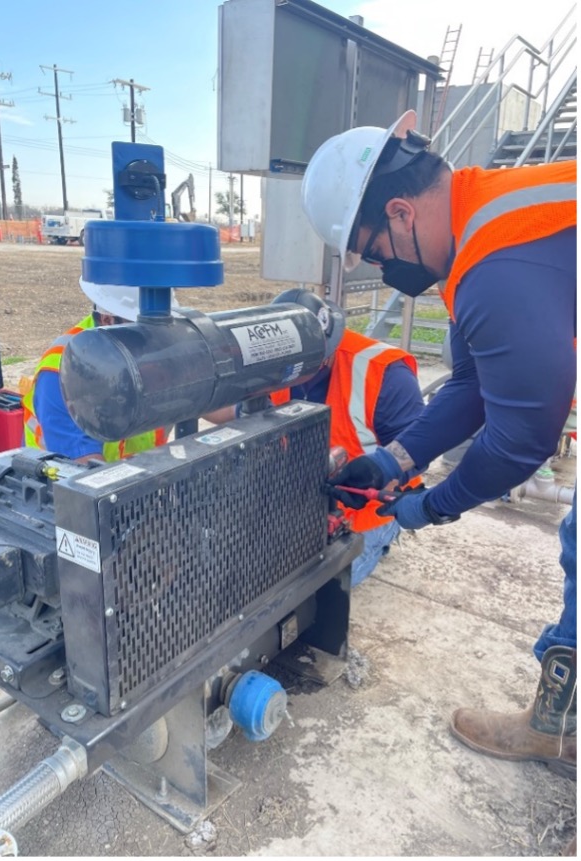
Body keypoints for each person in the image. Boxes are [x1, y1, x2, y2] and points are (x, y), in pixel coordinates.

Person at [301, 110, 576, 779]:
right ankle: (556, 723)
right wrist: (393, 460)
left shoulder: (496, 261)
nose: (381, 266)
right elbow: (472, 385)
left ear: (400, 212)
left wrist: (430, 506)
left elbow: (518, 441)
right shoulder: (481, 221)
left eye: (374, 251)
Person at [211, 288, 426, 585]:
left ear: (325, 349)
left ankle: (381, 538)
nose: (293, 376)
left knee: (312, 590)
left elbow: (419, 451)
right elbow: (224, 410)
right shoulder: (274, 365)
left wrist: (379, 476)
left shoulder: (383, 373)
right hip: (300, 502)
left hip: (365, 512)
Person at [23, 282, 166, 462]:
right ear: (108, 320)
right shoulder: (61, 371)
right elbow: (85, 468)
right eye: (142, 329)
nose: (151, 340)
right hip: (58, 483)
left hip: (136, 478)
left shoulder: (147, 350)